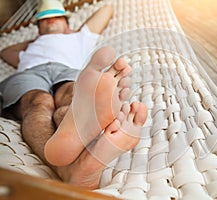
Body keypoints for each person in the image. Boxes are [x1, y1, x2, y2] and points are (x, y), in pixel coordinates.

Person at [0, 0, 148, 189]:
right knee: (38, 102)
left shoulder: (80, 36)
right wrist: (38, 39)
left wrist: (72, 32)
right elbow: (4, 51)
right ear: (38, 28)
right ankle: (70, 167)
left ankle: (76, 157)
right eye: (45, 20)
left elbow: (107, 9)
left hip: (66, 70)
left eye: (56, 16)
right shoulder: (28, 48)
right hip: (30, 72)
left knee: (71, 98)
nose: (50, 20)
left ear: (67, 22)